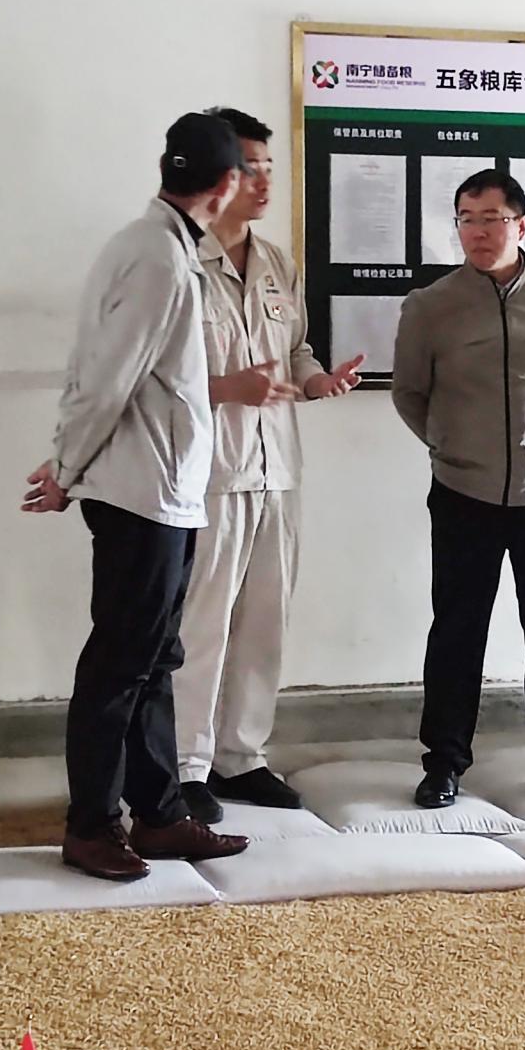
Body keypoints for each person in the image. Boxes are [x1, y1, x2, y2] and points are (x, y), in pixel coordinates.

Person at [22, 113, 252, 881]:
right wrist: (66, 468)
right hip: (140, 491)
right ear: (227, 184)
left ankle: (158, 814)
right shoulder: (157, 256)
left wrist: (71, 462)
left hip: (163, 488)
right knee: (121, 663)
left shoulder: (158, 245)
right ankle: (92, 826)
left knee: (154, 657)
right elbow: (107, 380)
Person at [391, 168, 525, 808]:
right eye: (466, 219)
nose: (478, 232)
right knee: (457, 632)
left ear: (521, 225)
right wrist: (451, 448)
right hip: (464, 493)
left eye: (491, 219)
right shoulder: (430, 305)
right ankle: (445, 762)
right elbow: (409, 394)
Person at [167, 108, 363, 824]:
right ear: (219, 173)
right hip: (209, 474)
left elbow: (296, 348)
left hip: (278, 470)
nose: (263, 181)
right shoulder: (179, 260)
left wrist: (316, 381)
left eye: (270, 166)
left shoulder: (278, 263)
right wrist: (228, 389)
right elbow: (154, 375)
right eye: (250, 166)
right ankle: (184, 766)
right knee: (201, 627)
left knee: (264, 623)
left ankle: (240, 756)